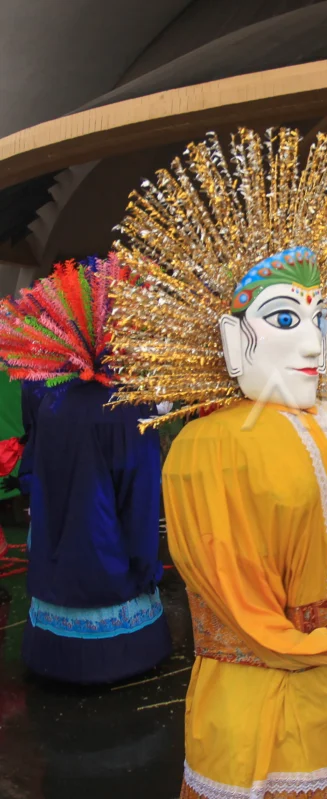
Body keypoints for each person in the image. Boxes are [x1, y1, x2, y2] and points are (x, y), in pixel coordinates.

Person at [106, 128, 327, 799]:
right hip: (262, 739)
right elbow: (268, 635)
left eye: (319, 317)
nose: (311, 342)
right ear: (232, 338)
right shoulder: (210, 452)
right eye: (283, 319)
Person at [0, 257, 171, 684]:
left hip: (56, 571)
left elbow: (38, 475)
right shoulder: (127, 409)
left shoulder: (54, 402)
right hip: (116, 596)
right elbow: (140, 499)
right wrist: (145, 568)